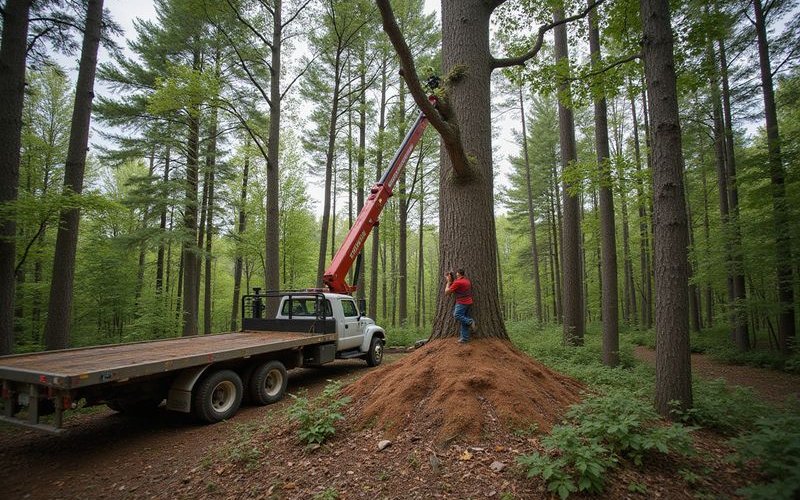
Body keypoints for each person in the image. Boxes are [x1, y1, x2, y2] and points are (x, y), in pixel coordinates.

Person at [445, 268, 477, 343]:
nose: (455, 274)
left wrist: (448, 282)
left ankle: (470, 321)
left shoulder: (457, 282)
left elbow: (447, 292)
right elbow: (457, 286)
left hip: (462, 303)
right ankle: (464, 338)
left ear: (458, 274)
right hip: (469, 302)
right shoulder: (467, 281)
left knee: (457, 315)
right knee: (463, 321)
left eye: (456, 273)